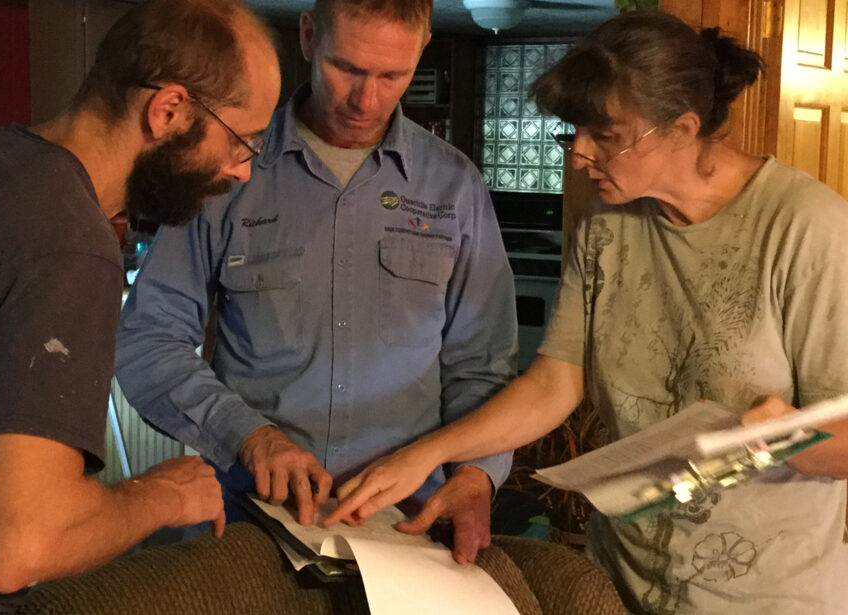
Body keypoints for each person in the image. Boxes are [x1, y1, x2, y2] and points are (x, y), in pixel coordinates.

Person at [327, 11, 848, 615]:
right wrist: (429, 454)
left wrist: (774, 439)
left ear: (681, 129)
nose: (578, 154)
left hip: (764, 597)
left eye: (605, 134)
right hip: (617, 582)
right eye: (573, 130)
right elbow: (556, 381)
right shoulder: (609, 224)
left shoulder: (808, 228)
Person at [114, 0, 517, 565]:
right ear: (308, 37)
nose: (366, 99)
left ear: (421, 51)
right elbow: (148, 340)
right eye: (346, 68)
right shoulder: (227, 167)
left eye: (392, 76)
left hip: (410, 529)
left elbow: (483, 365)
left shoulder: (455, 186)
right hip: (249, 518)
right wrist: (249, 436)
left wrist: (478, 475)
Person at [0, 0, 280, 610]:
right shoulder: (68, 239)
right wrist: (164, 495)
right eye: (241, 140)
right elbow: (18, 545)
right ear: (169, 110)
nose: (241, 171)